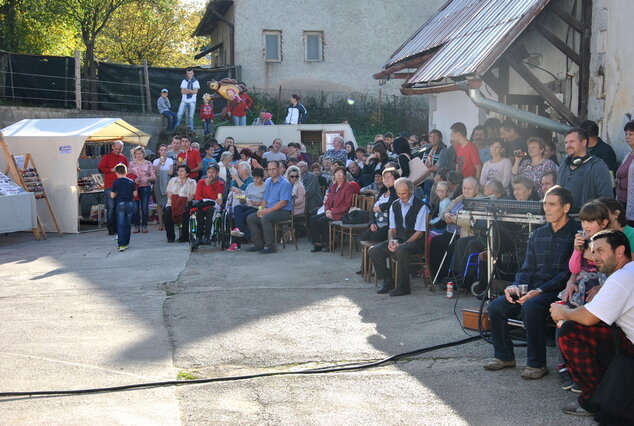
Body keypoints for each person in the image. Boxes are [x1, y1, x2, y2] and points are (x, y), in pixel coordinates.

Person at [483, 186, 578, 380]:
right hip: (534, 287)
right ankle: (504, 357)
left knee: (532, 307)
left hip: (560, 290)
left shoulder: (575, 234)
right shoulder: (538, 233)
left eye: (552, 204)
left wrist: (540, 291)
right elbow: (527, 267)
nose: (546, 208)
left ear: (566, 207)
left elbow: (567, 273)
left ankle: (537, 364)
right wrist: (517, 285)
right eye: (545, 203)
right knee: (496, 306)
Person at [550, 229, 634, 417]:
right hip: (627, 341)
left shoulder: (621, 277)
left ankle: (595, 398)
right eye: (593, 251)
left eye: (601, 251)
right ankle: (608, 389)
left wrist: (562, 311)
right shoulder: (628, 272)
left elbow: (589, 317)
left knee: (570, 331)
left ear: (620, 251)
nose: (595, 257)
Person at [369, 177, 430, 296]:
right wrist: (391, 241)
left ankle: (403, 287)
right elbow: (392, 229)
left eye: (404, 193)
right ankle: (388, 280)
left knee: (401, 250)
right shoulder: (394, 205)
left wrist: (403, 244)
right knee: (374, 251)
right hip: (399, 239)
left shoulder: (421, 206)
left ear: (411, 191)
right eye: (398, 193)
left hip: (415, 242)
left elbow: (419, 233)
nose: (401, 196)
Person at [556, 128, 613, 212]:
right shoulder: (564, 165)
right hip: (563, 220)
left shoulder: (598, 166)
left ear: (584, 142)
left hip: (585, 221)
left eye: (572, 141)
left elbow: (606, 199)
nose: (568, 145)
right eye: (566, 142)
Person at [246, 161, 293, 254]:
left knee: (265, 218)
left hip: (283, 212)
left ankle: (270, 246)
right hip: (270, 210)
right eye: (269, 169)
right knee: (251, 218)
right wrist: (262, 209)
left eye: (274, 169)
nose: (271, 171)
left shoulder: (285, 183)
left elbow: (283, 203)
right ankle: (258, 244)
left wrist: (267, 211)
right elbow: (265, 199)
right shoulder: (268, 182)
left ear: (279, 169)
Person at [310, 166, 354, 252]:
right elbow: (327, 202)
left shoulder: (348, 186)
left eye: (341, 173)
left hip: (341, 213)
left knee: (322, 220)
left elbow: (347, 205)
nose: (338, 175)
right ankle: (317, 243)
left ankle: (330, 243)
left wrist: (332, 211)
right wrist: (327, 210)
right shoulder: (334, 186)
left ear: (345, 175)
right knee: (313, 219)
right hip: (331, 211)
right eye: (337, 173)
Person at [229, 167, 266, 251]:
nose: (256, 180)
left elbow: (266, 201)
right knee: (237, 208)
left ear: (262, 178)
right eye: (254, 178)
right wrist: (242, 199)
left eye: (258, 178)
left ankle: (236, 243)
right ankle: (239, 229)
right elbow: (245, 197)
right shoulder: (250, 185)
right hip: (248, 204)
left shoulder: (265, 187)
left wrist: (256, 203)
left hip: (258, 207)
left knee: (243, 216)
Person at [359, 167, 399, 243]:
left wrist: (382, 207)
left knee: (375, 237)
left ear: (396, 179)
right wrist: (372, 223)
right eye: (384, 177)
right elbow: (372, 209)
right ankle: (367, 255)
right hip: (377, 224)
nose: (386, 179)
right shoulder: (382, 191)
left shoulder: (397, 191)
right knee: (364, 236)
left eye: (389, 177)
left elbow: (396, 203)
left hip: (389, 226)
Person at [98, 140, 128, 235]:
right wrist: (111, 170)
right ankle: (111, 228)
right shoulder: (107, 157)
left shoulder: (123, 158)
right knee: (111, 207)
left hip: (121, 186)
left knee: (120, 207)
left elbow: (127, 170)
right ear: (112, 147)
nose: (117, 151)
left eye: (119, 149)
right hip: (110, 186)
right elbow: (100, 168)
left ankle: (119, 227)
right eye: (116, 149)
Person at [192, 164, 225, 248]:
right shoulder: (200, 182)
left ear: (217, 173)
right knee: (199, 213)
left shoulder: (220, 184)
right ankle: (198, 237)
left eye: (213, 172)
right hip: (201, 205)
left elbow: (216, 198)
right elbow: (198, 196)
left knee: (210, 211)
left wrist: (208, 186)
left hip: (212, 207)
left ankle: (208, 236)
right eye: (209, 172)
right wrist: (209, 200)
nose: (210, 174)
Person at [164, 165, 197, 243]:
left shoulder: (192, 182)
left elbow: (193, 195)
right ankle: (170, 236)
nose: (180, 172)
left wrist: (183, 201)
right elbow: (168, 192)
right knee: (168, 211)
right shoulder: (173, 180)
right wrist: (176, 201)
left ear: (187, 173)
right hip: (173, 203)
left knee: (186, 212)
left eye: (182, 171)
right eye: (179, 171)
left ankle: (184, 236)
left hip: (186, 203)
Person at [127, 146, 155, 233]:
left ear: (143, 154)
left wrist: (148, 179)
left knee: (144, 207)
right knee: (135, 208)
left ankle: (144, 225)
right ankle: (136, 225)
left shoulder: (148, 163)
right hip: (134, 188)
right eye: (136, 154)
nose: (138, 155)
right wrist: (134, 179)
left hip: (145, 187)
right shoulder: (131, 164)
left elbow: (154, 176)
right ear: (134, 155)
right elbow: (127, 175)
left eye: (140, 153)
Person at [109, 164, 137, 252]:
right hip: (130, 203)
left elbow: (112, 195)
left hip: (120, 204)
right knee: (128, 224)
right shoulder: (131, 181)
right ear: (126, 172)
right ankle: (126, 243)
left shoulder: (116, 182)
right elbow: (135, 194)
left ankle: (121, 244)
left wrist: (117, 193)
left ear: (116, 172)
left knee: (121, 225)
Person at [616, 120, 634, 225]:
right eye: (626, 134)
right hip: (623, 202)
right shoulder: (628, 155)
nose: (627, 137)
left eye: (631, 134)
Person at [152, 144, 174, 231]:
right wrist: (160, 164)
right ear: (159, 151)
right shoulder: (155, 161)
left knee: (168, 203)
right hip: (158, 182)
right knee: (159, 203)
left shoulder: (170, 160)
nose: (163, 151)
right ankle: (161, 223)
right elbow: (155, 172)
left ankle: (168, 222)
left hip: (167, 182)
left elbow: (171, 172)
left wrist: (162, 172)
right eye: (162, 150)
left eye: (165, 150)